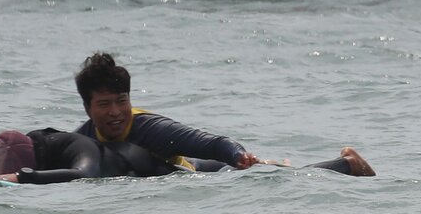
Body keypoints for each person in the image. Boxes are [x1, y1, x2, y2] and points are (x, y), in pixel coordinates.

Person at [72, 52, 375, 177]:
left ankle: (348, 164)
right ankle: (272, 163)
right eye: (104, 104)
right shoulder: (83, 138)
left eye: (121, 101)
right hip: (200, 165)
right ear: (88, 108)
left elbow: (211, 143)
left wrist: (237, 154)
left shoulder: (150, 129)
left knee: (267, 180)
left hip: (197, 172)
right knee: (260, 168)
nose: (115, 112)